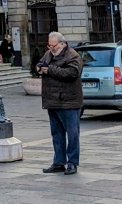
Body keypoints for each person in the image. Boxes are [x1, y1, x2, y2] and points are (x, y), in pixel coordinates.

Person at [38, 31, 83, 175]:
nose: (51, 48)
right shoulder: (48, 54)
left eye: (54, 45)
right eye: (49, 45)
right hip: (52, 101)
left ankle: (72, 163)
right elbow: (40, 64)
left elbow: (71, 73)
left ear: (62, 44)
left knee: (72, 134)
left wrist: (49, 69)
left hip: (69, 102)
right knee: (57, 134)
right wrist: (39, 68)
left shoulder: (73, 56)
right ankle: (58, 162)